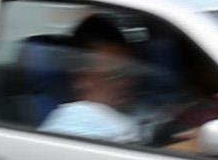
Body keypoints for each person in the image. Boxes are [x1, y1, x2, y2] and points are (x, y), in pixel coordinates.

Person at [41, 14, 150, 142]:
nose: (127, 82)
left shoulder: (135, 110)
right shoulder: (75, 126)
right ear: (81, 79)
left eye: (129, 72)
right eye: (114, 75)